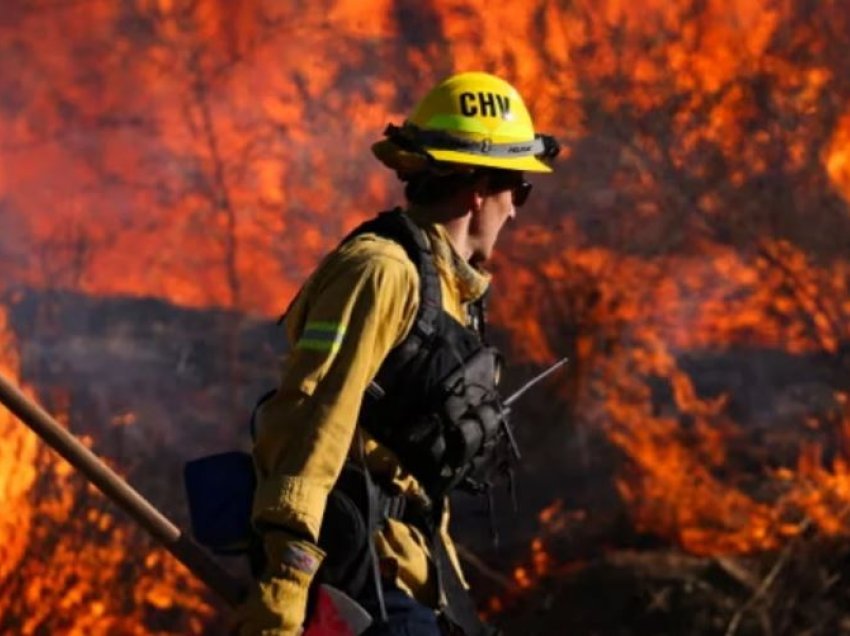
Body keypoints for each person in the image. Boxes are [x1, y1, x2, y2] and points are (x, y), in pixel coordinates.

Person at [237, 71, 558, 636]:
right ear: (479, 188)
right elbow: (311, 422)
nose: (516, 211)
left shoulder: (450, 293)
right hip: (353, 573)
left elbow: (416, 483)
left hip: (406, 569)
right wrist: (286, 585)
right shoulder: (381, 272)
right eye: (519, 190)